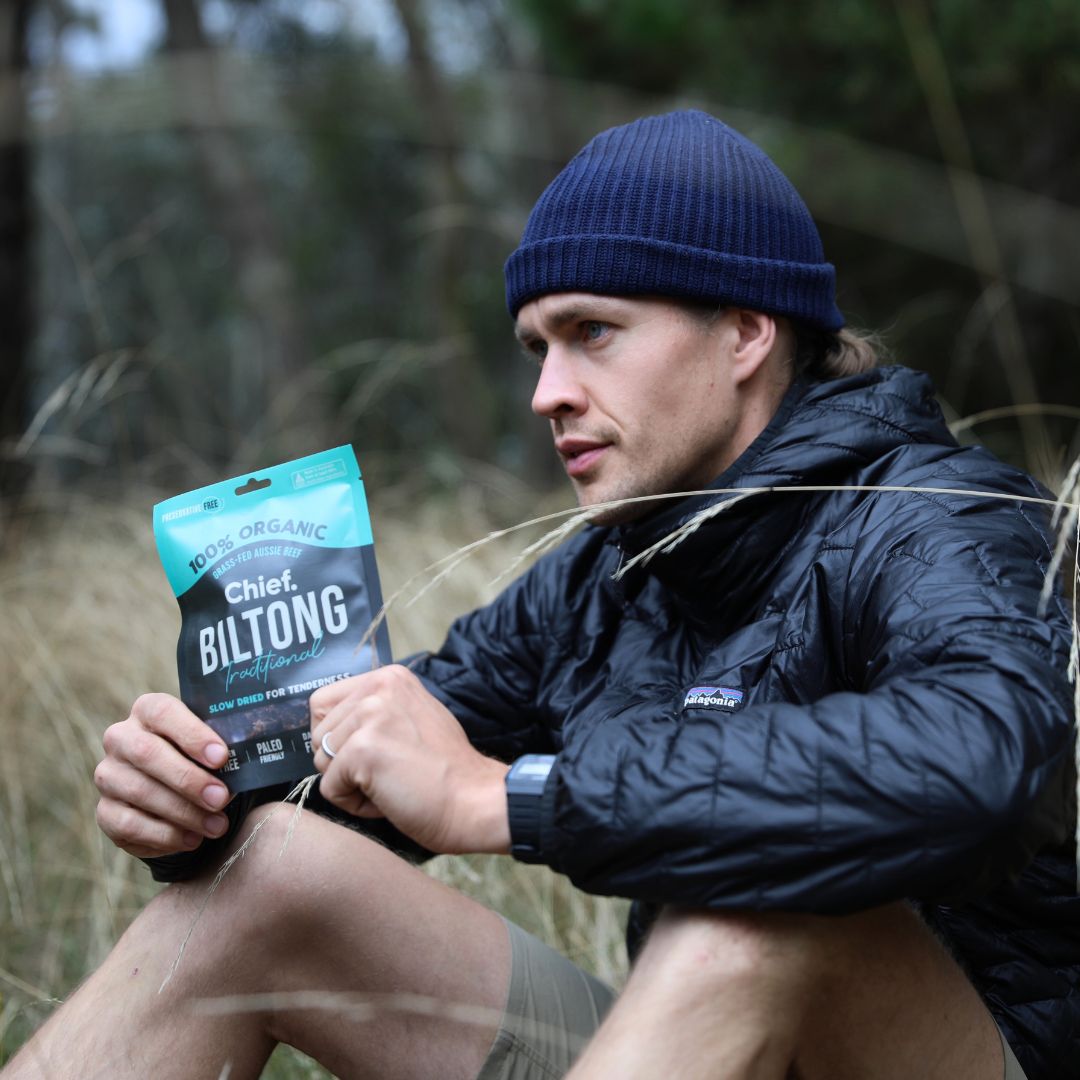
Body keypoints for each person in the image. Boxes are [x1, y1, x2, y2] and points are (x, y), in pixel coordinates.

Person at [4, 109, 1076, 1080]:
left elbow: (979, 755)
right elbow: (375, 766)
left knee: (760, 901)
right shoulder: (602, 578)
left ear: (748, 330)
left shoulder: (942, 512)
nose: (546, 391)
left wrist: (505, 795)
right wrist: (195, 800)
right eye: (536, 347)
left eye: (592, 333)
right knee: (273, 872)